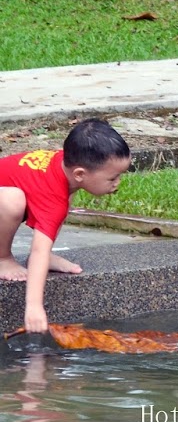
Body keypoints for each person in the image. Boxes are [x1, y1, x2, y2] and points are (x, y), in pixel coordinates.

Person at [0, 119, 132, 333]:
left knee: (57, 200)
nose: (117, 183)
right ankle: (3, 258)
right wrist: (33, 307)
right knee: (12, 200)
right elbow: (38, 249)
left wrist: (44, 253)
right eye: (113, 177)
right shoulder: (53, 196)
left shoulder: (65, 167)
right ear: (80, 174)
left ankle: (41, 257)